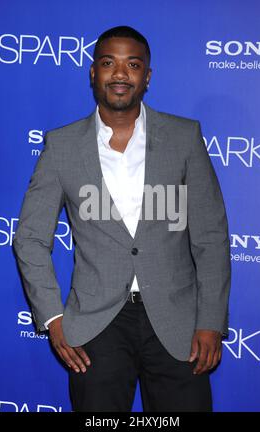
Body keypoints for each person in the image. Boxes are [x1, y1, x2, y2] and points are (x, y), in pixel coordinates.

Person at [13, 25, 231, 412]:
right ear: (93, 72)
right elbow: (30, 237)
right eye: (108, 62)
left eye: (133, 64)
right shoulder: (61, 146)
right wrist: (53, 318)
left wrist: (211, 320)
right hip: (95, 327)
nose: (120, 73)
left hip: (179, 324)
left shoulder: (183, 137)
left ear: (147, 76)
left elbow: (211, 237)